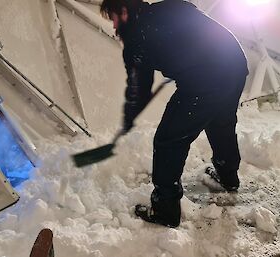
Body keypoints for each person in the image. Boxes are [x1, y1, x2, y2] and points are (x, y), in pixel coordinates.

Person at [100, 0, 249, 228]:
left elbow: (139, 86)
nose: (114, 26)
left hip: (204, 79)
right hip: (234, 64)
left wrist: (129, 115)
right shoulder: (166, 8)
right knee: (221, 123)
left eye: (114, 18)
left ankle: (165, 210)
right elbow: (191, 24)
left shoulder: (138, 37)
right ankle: (228, 176)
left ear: (124, 11)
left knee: (169, 140)